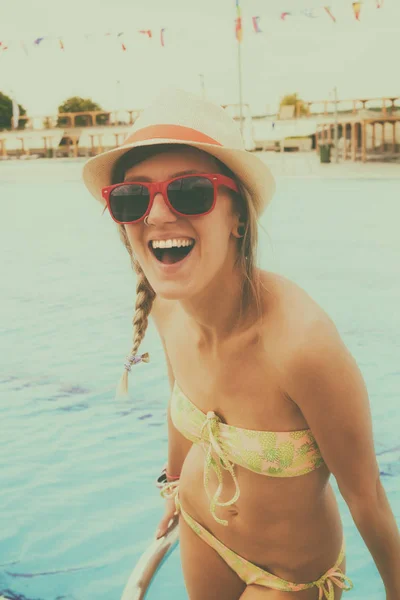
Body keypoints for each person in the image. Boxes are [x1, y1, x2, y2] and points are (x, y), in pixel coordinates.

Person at [83, 88, 400, 600]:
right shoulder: (168, 311)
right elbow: (181, 405)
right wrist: (173, 486)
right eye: (132, 197)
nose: (158, 215)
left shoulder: (301, 346)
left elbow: (367, 499)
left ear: (238, 217)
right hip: (201, 535)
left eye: (189, 192)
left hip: (288, 575)